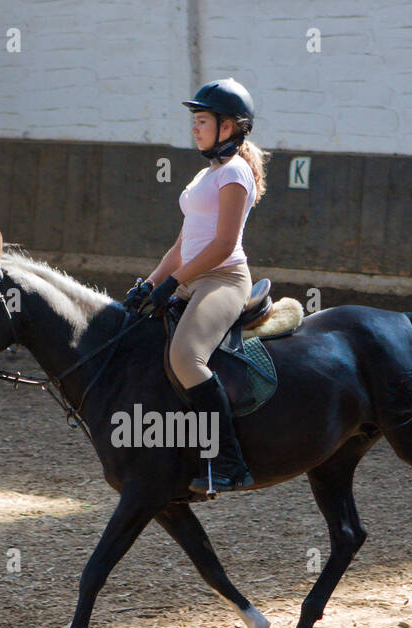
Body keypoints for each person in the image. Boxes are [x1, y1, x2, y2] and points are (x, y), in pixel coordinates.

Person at [123, 77, 269, 497]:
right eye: (195, 120)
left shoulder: (236, 172)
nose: (194, 128)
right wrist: (148, 285)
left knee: (186, 357)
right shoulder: (207, 174)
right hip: (191, 274)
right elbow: (183, 244)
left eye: (202, 120)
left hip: (223, 278)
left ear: (229, 127)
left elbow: (223, 246)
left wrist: (173, 282)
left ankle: (229, 462)